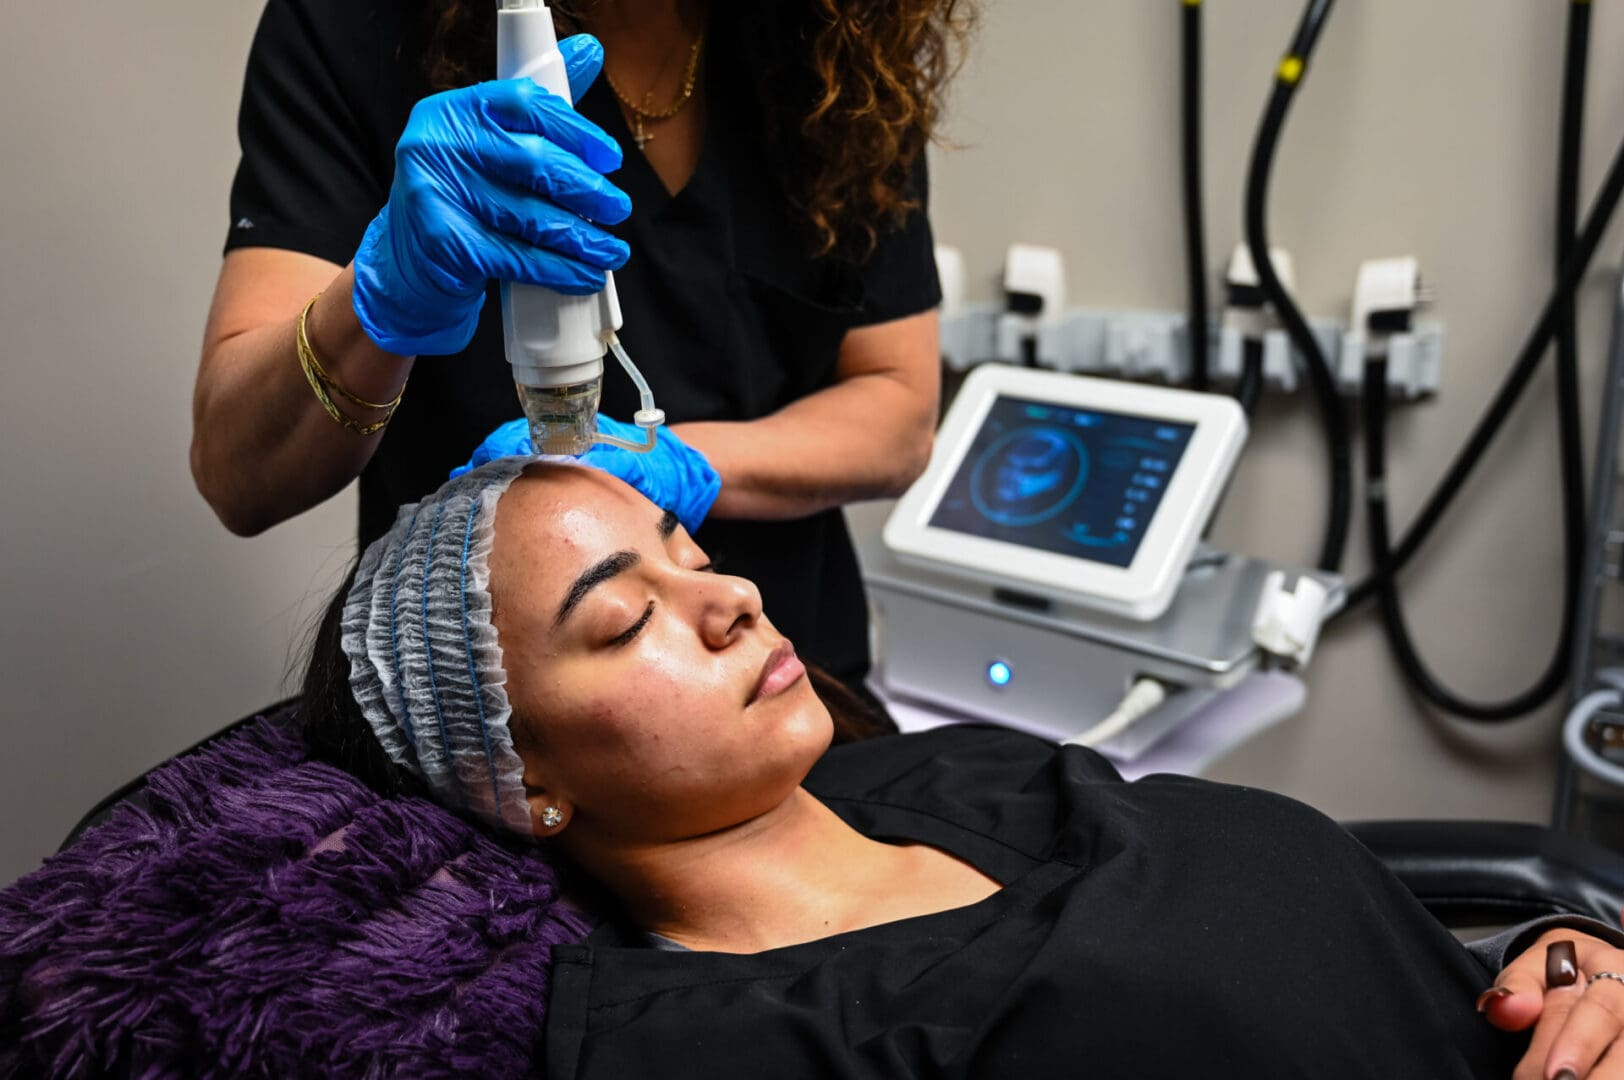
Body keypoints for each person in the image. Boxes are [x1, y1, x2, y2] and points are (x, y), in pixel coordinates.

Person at [302, 457, 1624, 1079]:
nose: (735, 597)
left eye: (689, 553)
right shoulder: (721, 1043)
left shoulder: (924, 780)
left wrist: (1555, 962)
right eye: (627, 615)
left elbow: (1315, 940)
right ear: (524, 780)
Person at [191, 0, 964, 693]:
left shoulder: (840, 44)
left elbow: (897, 412)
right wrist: (374, 303)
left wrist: (678, 466)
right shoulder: (354, 28)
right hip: (504, 706)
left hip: (796, 673)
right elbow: (238, 471)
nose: (723, 602)